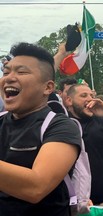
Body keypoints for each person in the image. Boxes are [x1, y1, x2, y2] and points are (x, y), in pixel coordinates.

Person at [0, 42, 82, 215]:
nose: (9, 77)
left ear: (48, 88)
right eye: (6, 72)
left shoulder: (61, 126)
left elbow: (36, 187)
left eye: (21, 72)